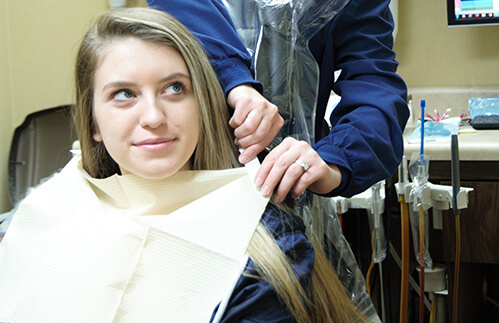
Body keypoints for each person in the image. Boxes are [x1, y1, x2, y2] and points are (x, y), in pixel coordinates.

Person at [0, 8, 372, 322]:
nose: (153, 116)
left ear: (204, 104)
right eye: (124, 94)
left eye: (174, 88)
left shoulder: (269, 248)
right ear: (94, 122)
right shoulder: (37, 216)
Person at [147, 0, 410, 203]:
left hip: (291, 196)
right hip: (187, 183)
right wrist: (234, 81)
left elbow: (374, 83)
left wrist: (335, 161)